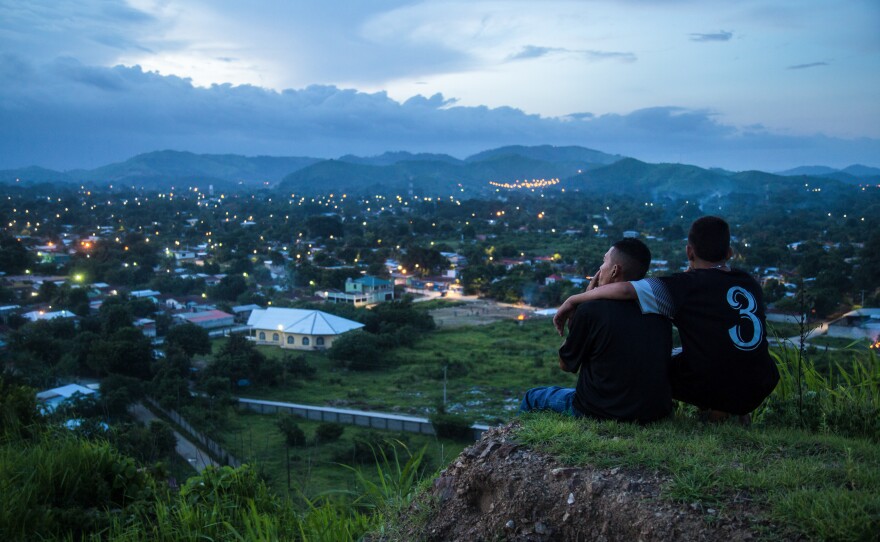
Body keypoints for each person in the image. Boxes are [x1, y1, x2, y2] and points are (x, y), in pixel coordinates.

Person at [553, 216, 779, 418]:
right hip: (761, 380)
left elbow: (625, 289)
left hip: (716, 382)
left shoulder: (684, 286)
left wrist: (575, 299)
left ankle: (717, 411)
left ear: (689, 251)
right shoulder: (749, 282)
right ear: (729, 253)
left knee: (656, 365)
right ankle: (724, 413)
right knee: (707, 353)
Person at [521, 238, 673, 422]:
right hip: (654, 412)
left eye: (604, 261)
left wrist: (578, 316)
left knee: (532, 396)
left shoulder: (592, 310)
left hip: (600, 411)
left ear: (615, 270)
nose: (600, 268)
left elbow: (566, 365)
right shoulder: (659, 311)